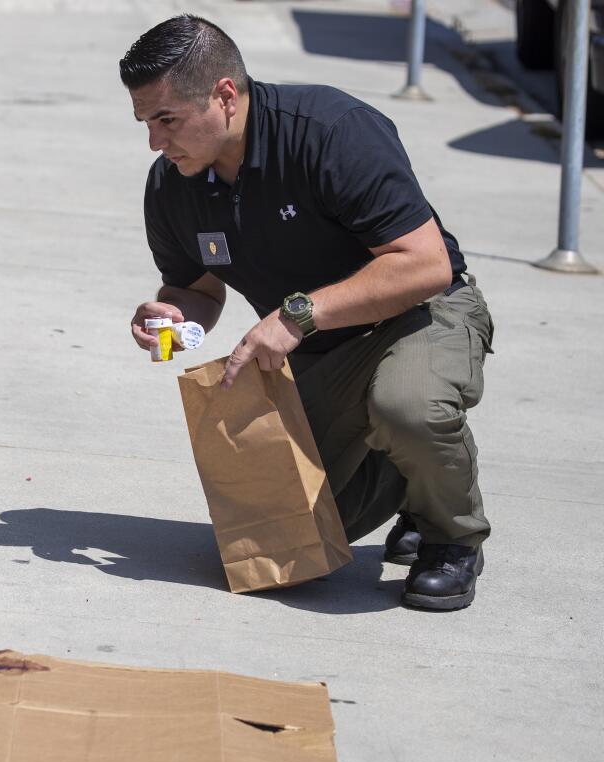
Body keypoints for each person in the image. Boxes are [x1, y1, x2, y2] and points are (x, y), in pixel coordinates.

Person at [122, 15, 494, 611]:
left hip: (420, 313)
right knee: (290, 545)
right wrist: (173, 313)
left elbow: (425, 265)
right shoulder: (172, 185)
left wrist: (296, 314)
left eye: (167, 120)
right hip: (318, 349)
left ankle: (451, 539)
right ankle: (415, 486)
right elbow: (199, 291)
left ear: (224, 95)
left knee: (407, 405)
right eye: (145, 122)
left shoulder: (332, 130)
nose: (154, 141)